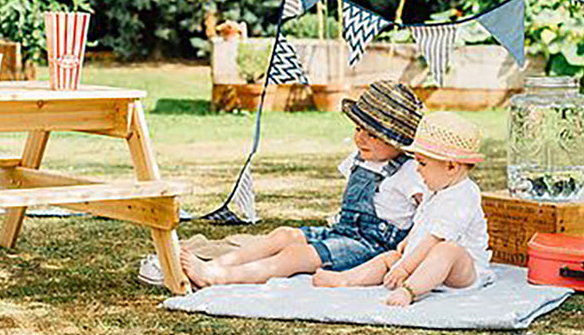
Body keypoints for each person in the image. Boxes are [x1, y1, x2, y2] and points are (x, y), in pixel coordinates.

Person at [180, 81, 426, 288]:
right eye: (358, 128)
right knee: (283, 235)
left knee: (295, 256)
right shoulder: (360, 158)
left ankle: (219, 278)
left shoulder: (409, 172)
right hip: (343, 233)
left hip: (371, 248)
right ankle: (217, 265)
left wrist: (413, 253)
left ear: (397, 141)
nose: (360, 138)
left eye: (372, 134)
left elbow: (429, 211)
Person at [313, 110, 491, 305]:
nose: (416, 168)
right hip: (422, 259)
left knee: (447, 250)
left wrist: (405, 268)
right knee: (390, 257)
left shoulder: (463, 196)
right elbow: (423, 220)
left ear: (451, 167)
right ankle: (346, 279)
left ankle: (409, 291)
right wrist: (409, 240)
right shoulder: (436, 187)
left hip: (460, 272)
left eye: (422, 163)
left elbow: (434, 239)